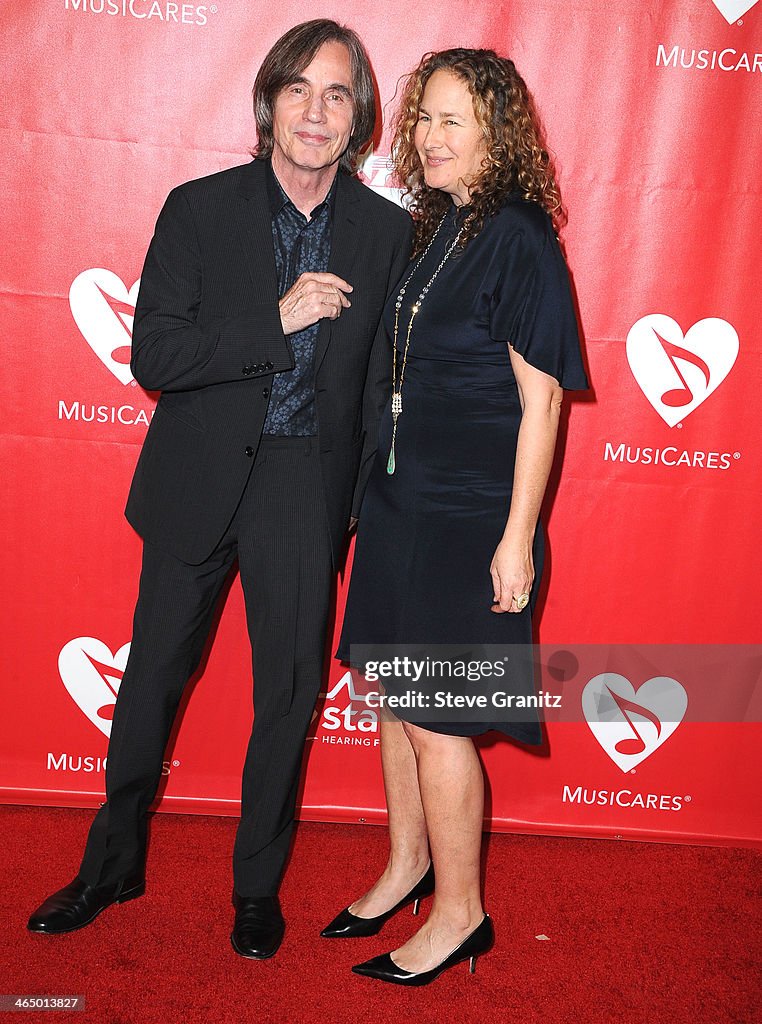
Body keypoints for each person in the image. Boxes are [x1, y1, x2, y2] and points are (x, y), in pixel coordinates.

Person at [27, 19, 412, 960]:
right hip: (200, 479)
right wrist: (272, 321)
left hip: (303, 491)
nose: (316, 113)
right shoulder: (199, 209)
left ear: (359, 116)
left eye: (337, 95)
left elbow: (382, 387)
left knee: (285, 696)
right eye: (299, 91)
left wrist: (354, 504)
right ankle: (108, 868)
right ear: (268, 102)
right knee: (152, 680)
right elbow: (152, 352)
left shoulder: (387, 232)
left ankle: (255, 890)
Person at [321, 49, 589, 985]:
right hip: (402, 500)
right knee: (399, 698)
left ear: (495, 133)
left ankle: (463, 914)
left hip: (470, 514)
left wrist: (516, 538)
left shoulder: (516, 234)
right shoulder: (444, 226)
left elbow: (544, 397)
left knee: (437, 718)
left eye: (453, 121)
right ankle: (406, 866)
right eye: (423, 118)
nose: (430, 137)